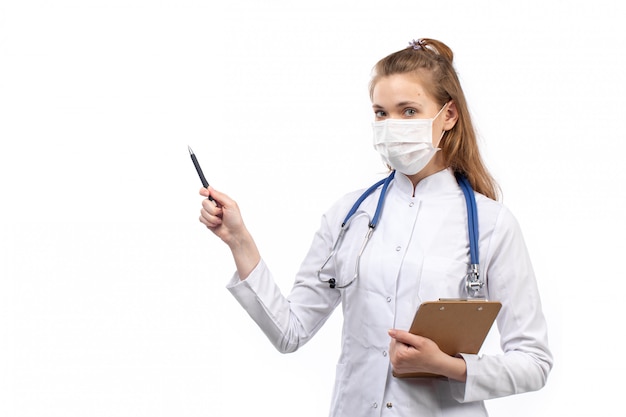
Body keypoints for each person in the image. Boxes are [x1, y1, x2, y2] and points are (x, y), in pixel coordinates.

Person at [198, 38, 553, 416]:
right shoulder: (349, 213)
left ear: (448, 115)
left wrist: (448, 367)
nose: (392, 126)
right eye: (381, 113)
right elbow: (290, 332)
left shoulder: (491, 224)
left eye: (409, 111)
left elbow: (534, 362)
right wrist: (239, 240)